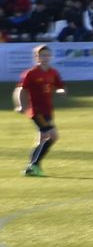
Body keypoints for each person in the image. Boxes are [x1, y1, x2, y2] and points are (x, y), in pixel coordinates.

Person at [14, 44, 66, 176]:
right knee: (53, 136)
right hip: (35, 111)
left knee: (42, 139)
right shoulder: (31, 73)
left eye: (48, 55)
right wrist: (20, 105)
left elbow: (60, 86)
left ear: (51, 56)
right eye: (43, 55)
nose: (46, 57)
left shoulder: (53, 72)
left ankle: (31, 168)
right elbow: (21, 90)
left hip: (47, 110)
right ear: (37, 57)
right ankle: (34, 165)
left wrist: (61, 91)